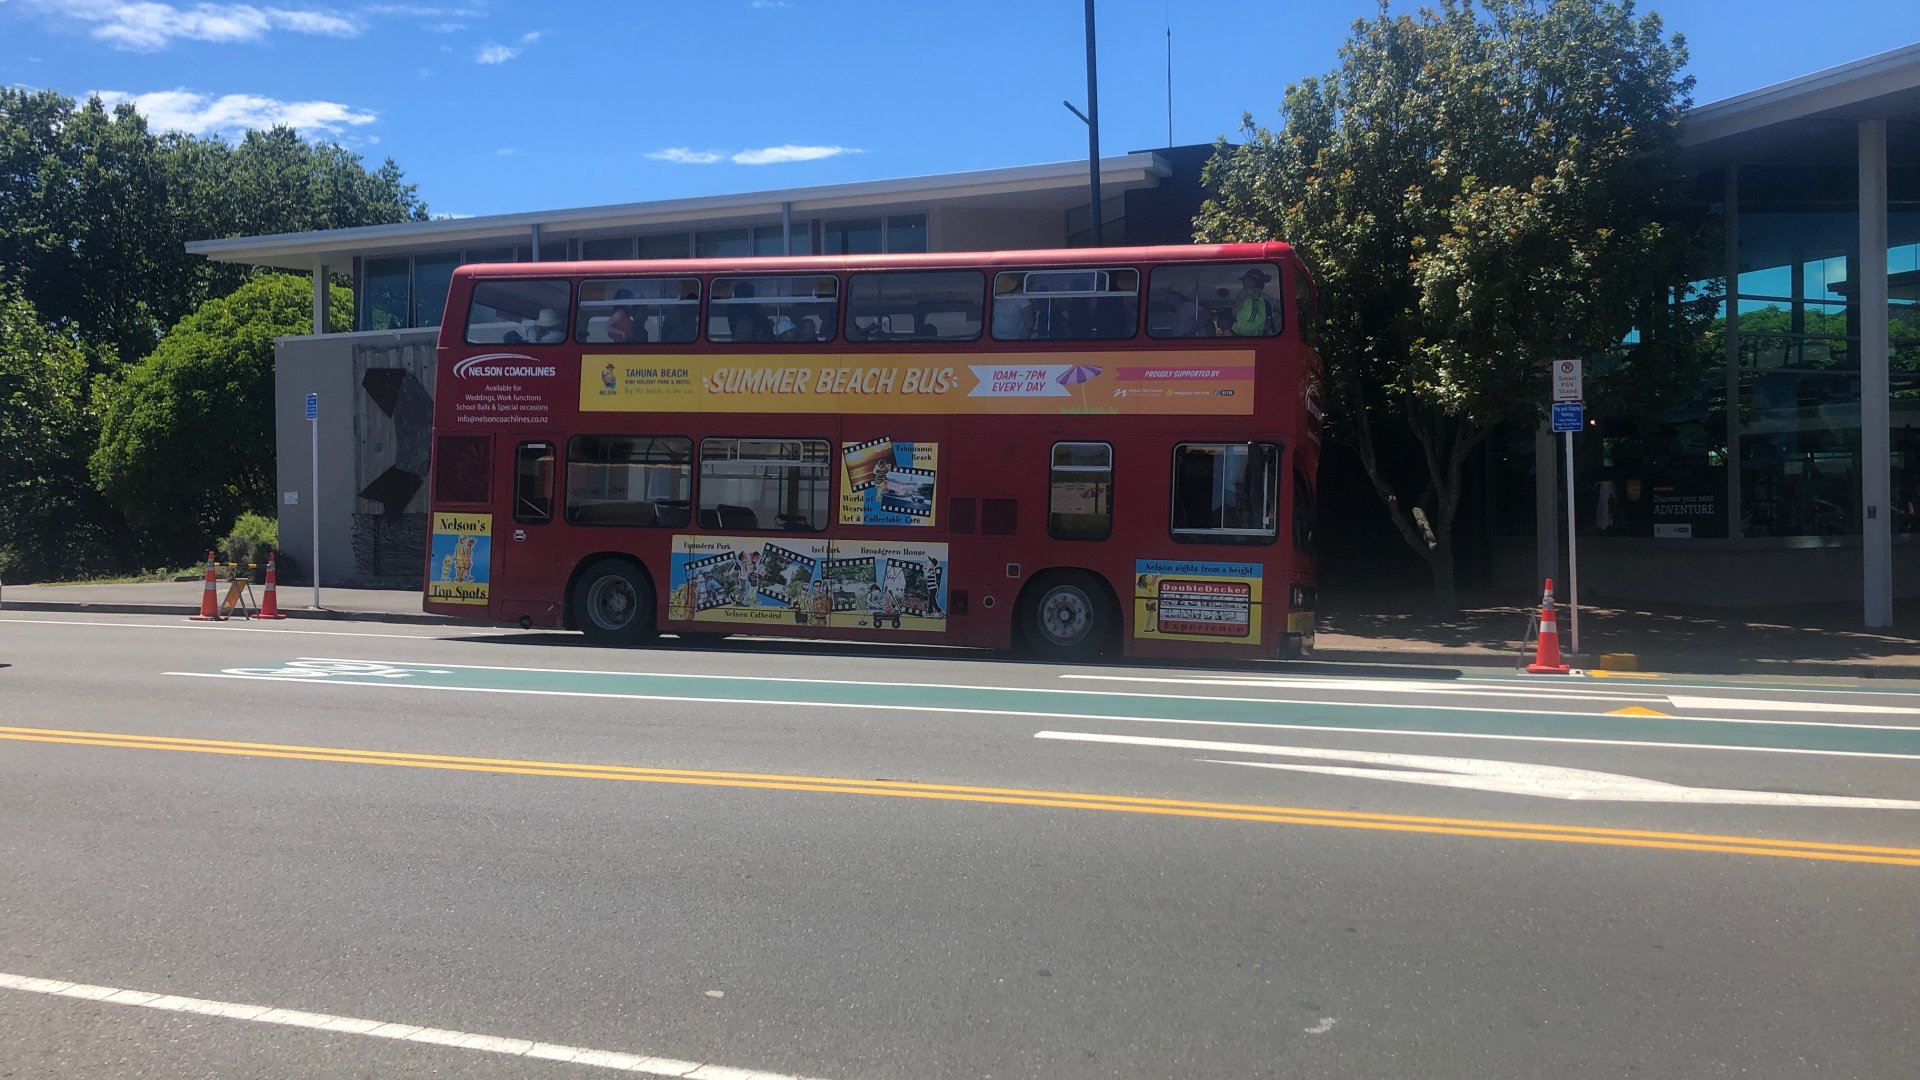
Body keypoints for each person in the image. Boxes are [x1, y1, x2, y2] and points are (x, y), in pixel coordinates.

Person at [1230, 268, 1276, 336]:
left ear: (1255, 282)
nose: (1244, 282)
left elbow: (1234, 313)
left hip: (1245, 334)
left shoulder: (1243, 294)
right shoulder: (1266, 297)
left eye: (1247, 280)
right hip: (1262, 334)